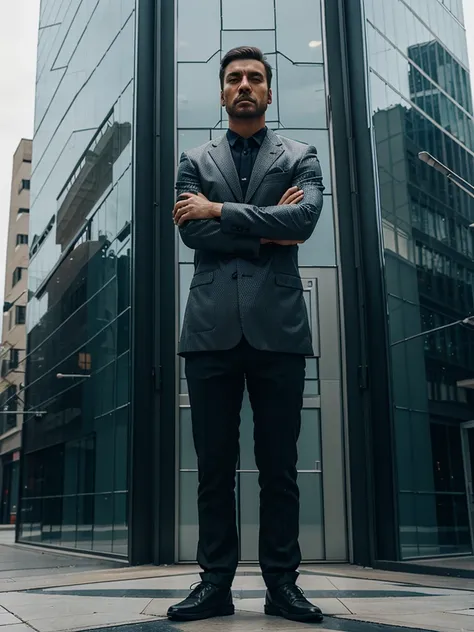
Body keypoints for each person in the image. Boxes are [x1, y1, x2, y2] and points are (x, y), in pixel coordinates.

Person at [167, 46, 325, 624]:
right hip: (210, 330)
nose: (244, 86)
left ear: (269, 90)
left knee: (279, 467)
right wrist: (267, 231)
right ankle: (215, 584)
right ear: (221, 91)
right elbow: (192, 236)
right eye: (234, 78)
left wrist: (219, 211)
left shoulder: (301, 154)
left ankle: (283, 586)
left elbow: (304, 221)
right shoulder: (192, 158)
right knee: (214, 467)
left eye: (255, 78)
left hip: (278, 330)